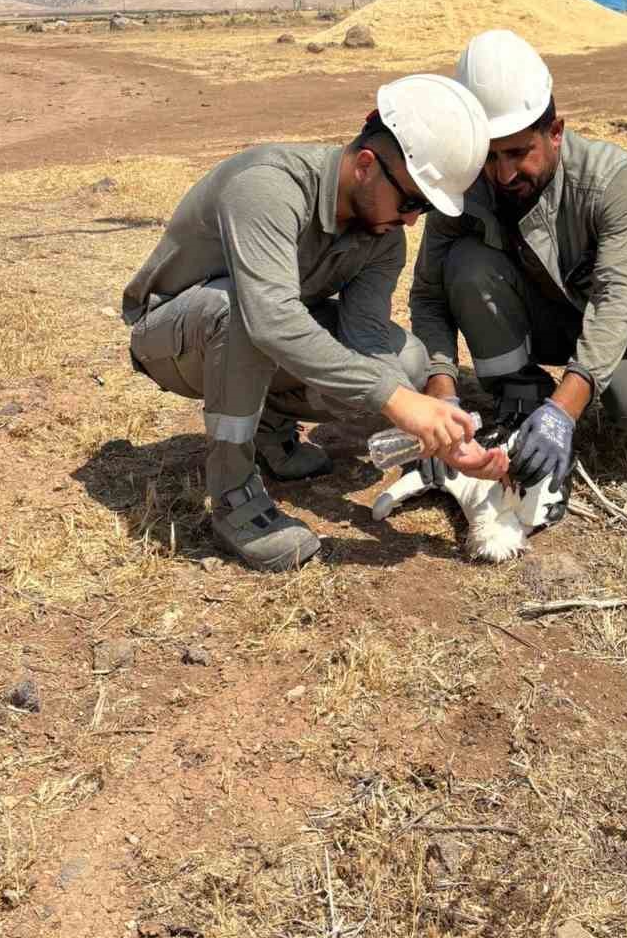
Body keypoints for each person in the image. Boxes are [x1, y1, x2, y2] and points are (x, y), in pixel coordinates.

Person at [123, 74, 490, 573]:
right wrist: (398, 401)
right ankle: (232, 495)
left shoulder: (381, 237)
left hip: (253, 335)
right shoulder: (268, 186)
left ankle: (270, 428)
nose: (411, 222)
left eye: (423, 209)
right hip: (171, 336)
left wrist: (439, 432)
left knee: (406, 360)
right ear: (366, 166)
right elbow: (271, 319)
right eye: (410, 202)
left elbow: (365, 341)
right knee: (245, 311)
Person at [410, 30, 627, 502]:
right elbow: (428, 296)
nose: (502, 174)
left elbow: (617, 298)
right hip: (546, 308)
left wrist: (563, 411)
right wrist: (440, 396)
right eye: (488, 155)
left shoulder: (613, 180)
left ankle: (580, 392)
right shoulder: (465, 188)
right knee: (465, 262)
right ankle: (519, 388)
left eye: (518, 153)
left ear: (555, 132)